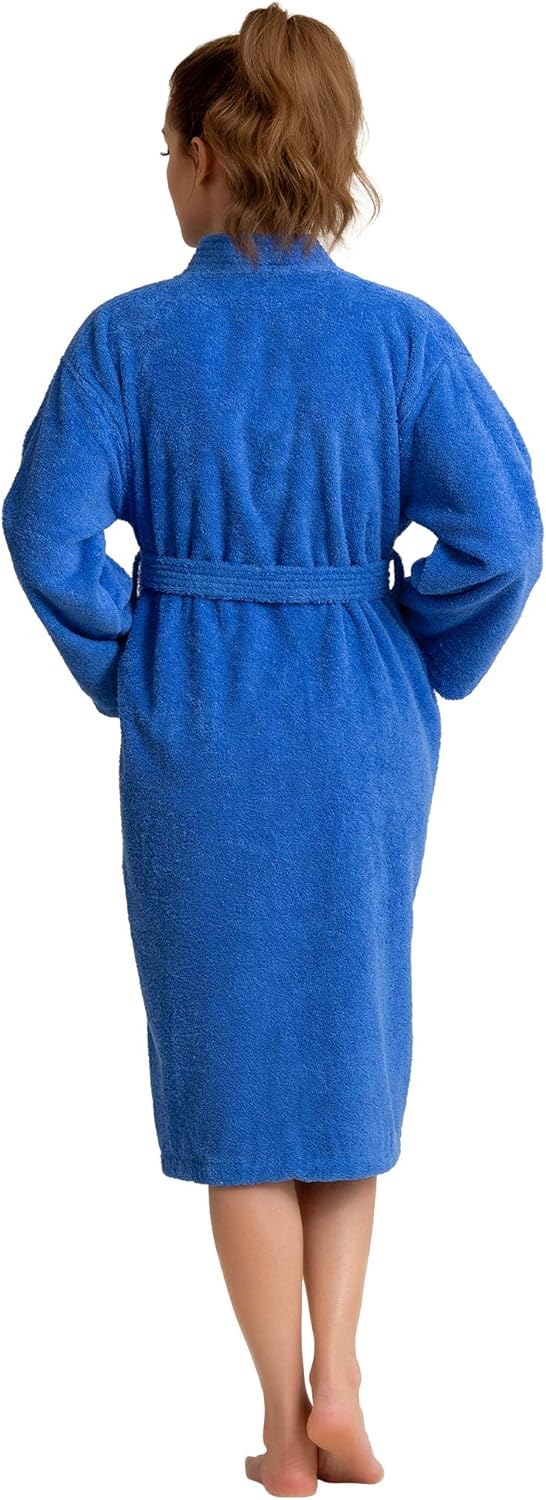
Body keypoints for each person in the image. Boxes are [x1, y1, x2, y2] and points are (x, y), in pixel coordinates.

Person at [2, 5, 542, 1494]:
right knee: (344, 1048)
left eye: (166, 155)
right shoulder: (404, 338)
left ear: (203, 156)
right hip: (363, 724)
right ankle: (346, 1378)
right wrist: (416, 651)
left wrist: (131, 664)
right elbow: (505, 537)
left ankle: (282, 1422)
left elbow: (44, 533)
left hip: (203, 724)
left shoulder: (128, 339)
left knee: (239, 1074)